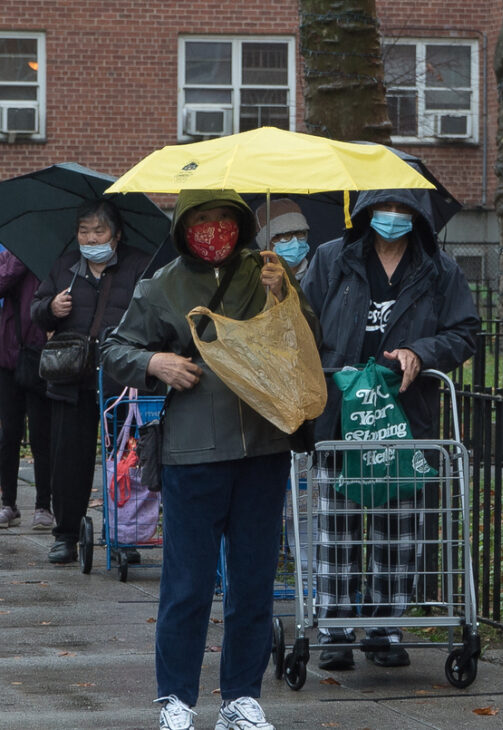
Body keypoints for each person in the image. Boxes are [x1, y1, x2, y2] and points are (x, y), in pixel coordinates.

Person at [101, 190, 313, 730]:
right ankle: (176, 698)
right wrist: (156, 361)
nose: (214, 230)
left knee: (253, 581)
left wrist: (287, 295)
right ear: (183, 227)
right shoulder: (161, 285)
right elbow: (113, 350)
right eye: (202, 220)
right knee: (187, 584)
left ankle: (242, 697)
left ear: (242, 224)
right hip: (192, 453)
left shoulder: (266, 272)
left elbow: (310, 339)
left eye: (225, 220)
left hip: (263, 448)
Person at [300, 188, 481, 670]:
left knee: (396, 532)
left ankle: (385, 628)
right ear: (365, 211)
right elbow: (302, 326)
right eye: (384, 207)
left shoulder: (439, 269)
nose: (393, 217)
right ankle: (334, 629)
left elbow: (465, 333)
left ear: (420, 214)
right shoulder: (332, 259)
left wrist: (422, 352)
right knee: (336, 528)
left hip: (404, 417)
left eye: (404, 208)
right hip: (341, 414)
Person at [29, 200, 147, 563]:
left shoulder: (139, 265)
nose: (91, 237)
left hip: (121, 381)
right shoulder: (65, 265)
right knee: (68, 462)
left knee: (125, 464)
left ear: (117, 234)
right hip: (71, 380)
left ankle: (125, 536)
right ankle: (66, 534)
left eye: (99, 231)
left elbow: (154, 314)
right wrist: (51, 309)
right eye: (84, 231)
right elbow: (36, 308)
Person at [0, 244, 55, 531]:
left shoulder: (53, 258)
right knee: (9, 432)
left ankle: (44, 505)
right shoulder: (10, 255)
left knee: (41, 434)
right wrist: (19, 261)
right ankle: (8, 504)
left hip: (43, 356)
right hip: (8, 356)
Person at [256, 198, 313, 280]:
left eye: (299, 233)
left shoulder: (320, 274)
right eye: (285, 234)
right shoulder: (253, 281)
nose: (295, 241)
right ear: (265, 244)